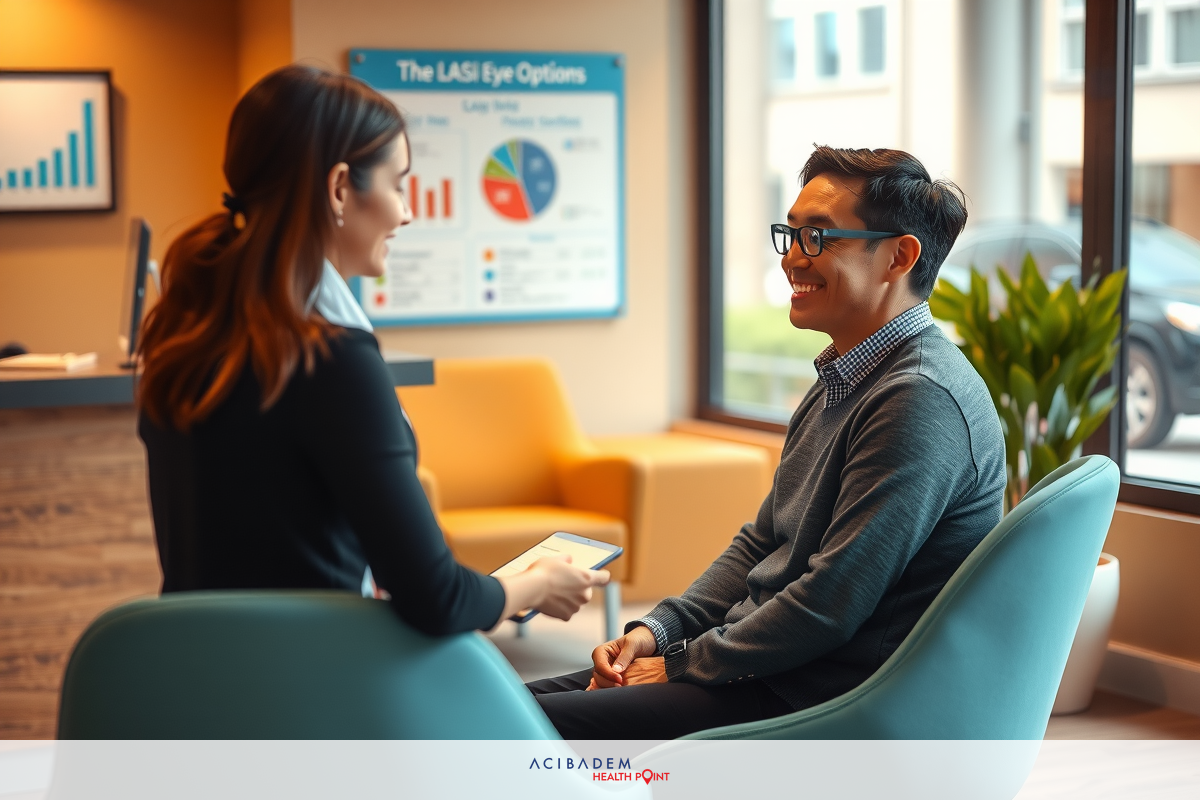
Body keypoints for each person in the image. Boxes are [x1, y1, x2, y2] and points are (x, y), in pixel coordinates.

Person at [528, 146, 1006, 739]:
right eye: (792, 233)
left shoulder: (919, 398)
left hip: (818, 697)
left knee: (493, 729)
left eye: (818, 237)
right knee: (487, 706)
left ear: (899, 256)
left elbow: (829, 604)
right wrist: (658, 631)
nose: (792, 258)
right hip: (759, 669)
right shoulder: (844, 375)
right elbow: (763, 543)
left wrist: (677, 665)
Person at [137, 65, 608, 636]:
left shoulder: (181, 337)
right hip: (316, 674)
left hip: (197, 670)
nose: (406, 212)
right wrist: (536, 584)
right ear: (340, 188)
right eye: (397, 184)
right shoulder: (332, 360)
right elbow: (438, 600)